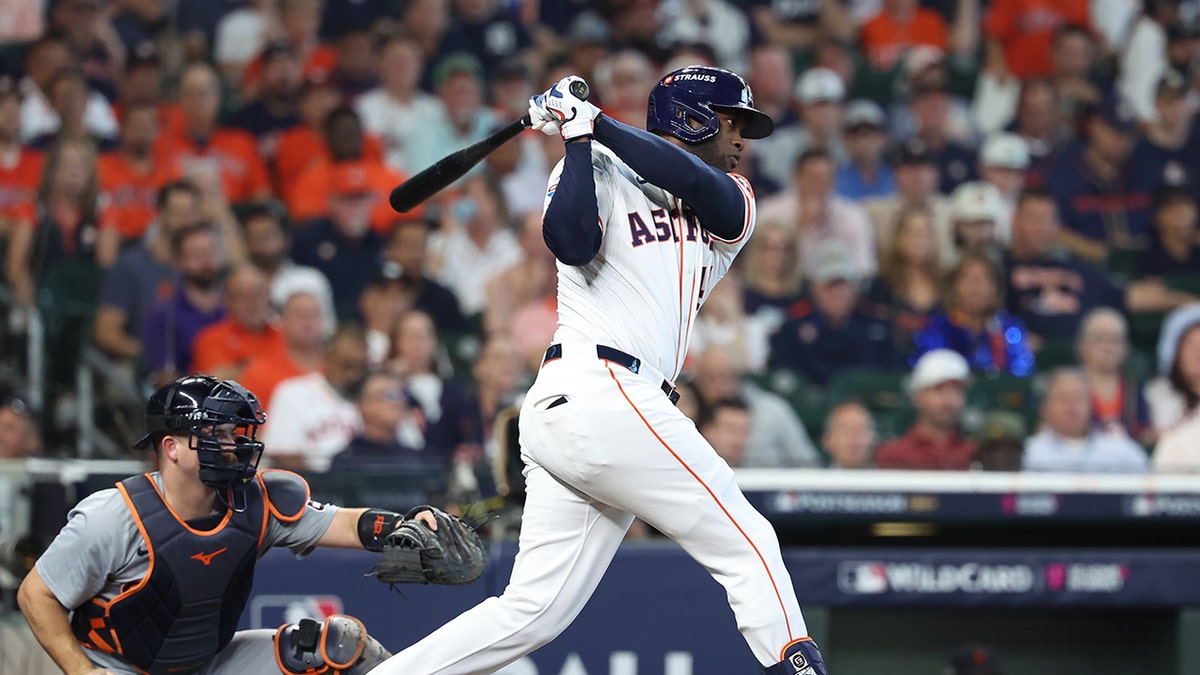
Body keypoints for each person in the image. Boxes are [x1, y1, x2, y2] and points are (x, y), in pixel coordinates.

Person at [369, 68, 827, 674]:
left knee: (532, 614)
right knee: (749, 541)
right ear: (693, 115)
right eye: (732, 119)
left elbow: (693, 181)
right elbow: (572, 240)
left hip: (603, 410)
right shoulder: (595, 167)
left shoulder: (733, 194)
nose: (742, 137)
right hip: (598, 389)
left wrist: (596, 123)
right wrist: (580, 142)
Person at [17, 374, 437, 675]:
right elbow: (37, 594)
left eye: (233, 433)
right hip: (123, 667)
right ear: (172, 447)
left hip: (210, 662)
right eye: (215, 433)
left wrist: (405, 525)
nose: (233, 445)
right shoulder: (113, 515)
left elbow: (342, 524)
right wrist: (81, 671)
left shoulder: (254, 499)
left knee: (336, 647)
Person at [261, 324, 369, 473]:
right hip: (315, 489)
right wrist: (328, 485)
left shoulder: (373, 399)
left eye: (360, 367)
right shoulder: (293, 392)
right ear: (329, 357)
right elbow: (283, 455)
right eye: (346, 365)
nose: (353, 375)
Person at [913, 254, 1035, 376]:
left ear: (995, 287)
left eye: (984, 278)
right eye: (968, 278)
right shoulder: (937, 328)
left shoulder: (1009, 328)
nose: (976, 286)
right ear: (954, 286)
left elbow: (1022, 374)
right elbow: (929, 375)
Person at [1023, 368, 1150, 473]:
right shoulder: (1029, 454)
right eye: (1063, 398)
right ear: (1045, 408)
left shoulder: (1121, 451)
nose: (1071, 405)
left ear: (1091, 405)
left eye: (1078, 398)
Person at [875, 349, 978, 470]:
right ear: (917, 396)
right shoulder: (893, 455)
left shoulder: (975, 453)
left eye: (957, 390)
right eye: (939, 389)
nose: (949, 400)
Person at [1076, 307, 1152, 443]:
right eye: (1098, 338)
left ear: (1125, 348)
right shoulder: (1069, 387)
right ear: (1082, 345)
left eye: (1115, 339)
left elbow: (1144, 432)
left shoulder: (1135, 389)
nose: (1107, 347)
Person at [821, 401, 878, 469]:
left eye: (862, 429)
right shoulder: (811, 478)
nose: (855, 436)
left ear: (874, 439)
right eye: (845, 430)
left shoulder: (890, 478)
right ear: (827, 439)